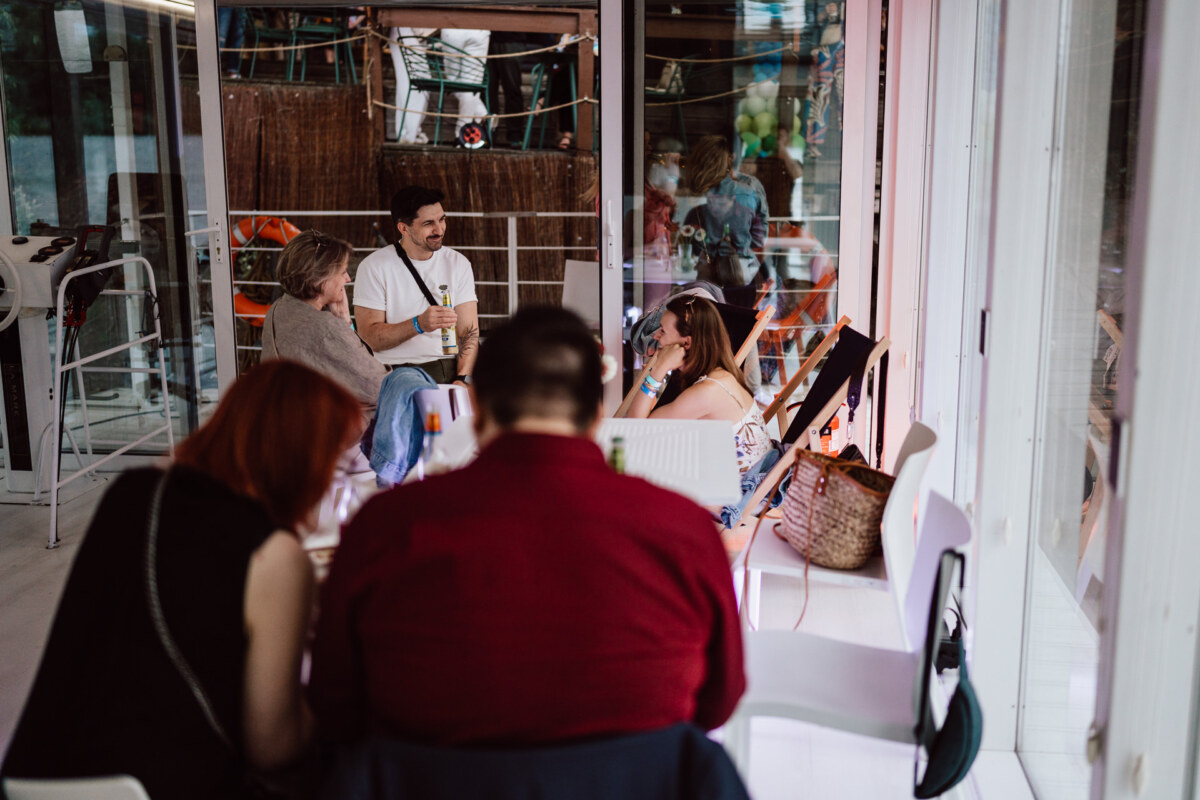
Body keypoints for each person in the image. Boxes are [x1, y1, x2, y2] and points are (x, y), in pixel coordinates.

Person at [309, 307, 744, 746]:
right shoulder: (683, 532)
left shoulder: (387, 525)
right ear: (596, 416)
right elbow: (718, 701)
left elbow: (336, 697)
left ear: (475, 410)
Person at [2, 361, 363, 800]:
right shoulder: (276, 555)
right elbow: (275, 746)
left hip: (37, 779)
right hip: (166, 786)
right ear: (302, 459)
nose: (339, 483)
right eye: (340, 466)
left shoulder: (131, 493)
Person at [625, 295, 772, 475]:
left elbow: (635, 431)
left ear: (686, 342)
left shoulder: (707, 392)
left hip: (734, 498)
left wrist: (658, 370)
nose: (656, 336)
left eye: (662, 331)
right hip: (736, 480)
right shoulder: (721, 374)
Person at [261, 229, 389, 428]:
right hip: (323, 436)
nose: (347, 279)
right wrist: (344, 324)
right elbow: (378, 388)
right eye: (342, 272)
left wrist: (343, 321)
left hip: (285, 426)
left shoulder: (278, 309)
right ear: (320, 279)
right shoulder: (325, 327)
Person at [354, 185, 479, 385]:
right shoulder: (373, 266)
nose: (439, 230)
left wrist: (463, 378)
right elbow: (370, 338)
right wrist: (418, 324)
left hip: (444, 369)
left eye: (442, 219)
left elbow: (468, 331)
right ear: (403, 228)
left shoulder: (458, 263)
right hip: (389, 373)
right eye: (428, 223)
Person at [682, 134, 769, 287]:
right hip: (744, 274)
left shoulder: (695, 196)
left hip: (706, 279)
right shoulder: (750, 189)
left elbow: (693, 247)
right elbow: (759, 240)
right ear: (728, 161)